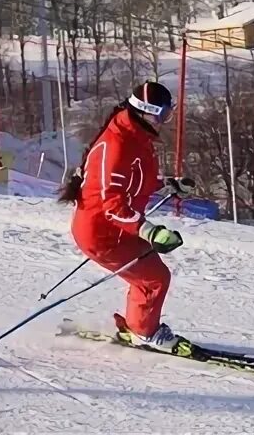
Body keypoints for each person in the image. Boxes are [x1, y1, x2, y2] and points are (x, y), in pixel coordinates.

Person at [57, 81, 195, 353]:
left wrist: (167, 184)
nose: (164, 121)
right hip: (101, 233)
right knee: (153, 278)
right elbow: (112, 205)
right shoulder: (118, 144)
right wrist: (150, 231)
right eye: (162, 115)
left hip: (118, 229)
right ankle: (144, 332)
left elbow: (134, 180)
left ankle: (138, 326)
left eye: (168, 114)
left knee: (151, 276)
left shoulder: (134, 135)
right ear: (145, 112)